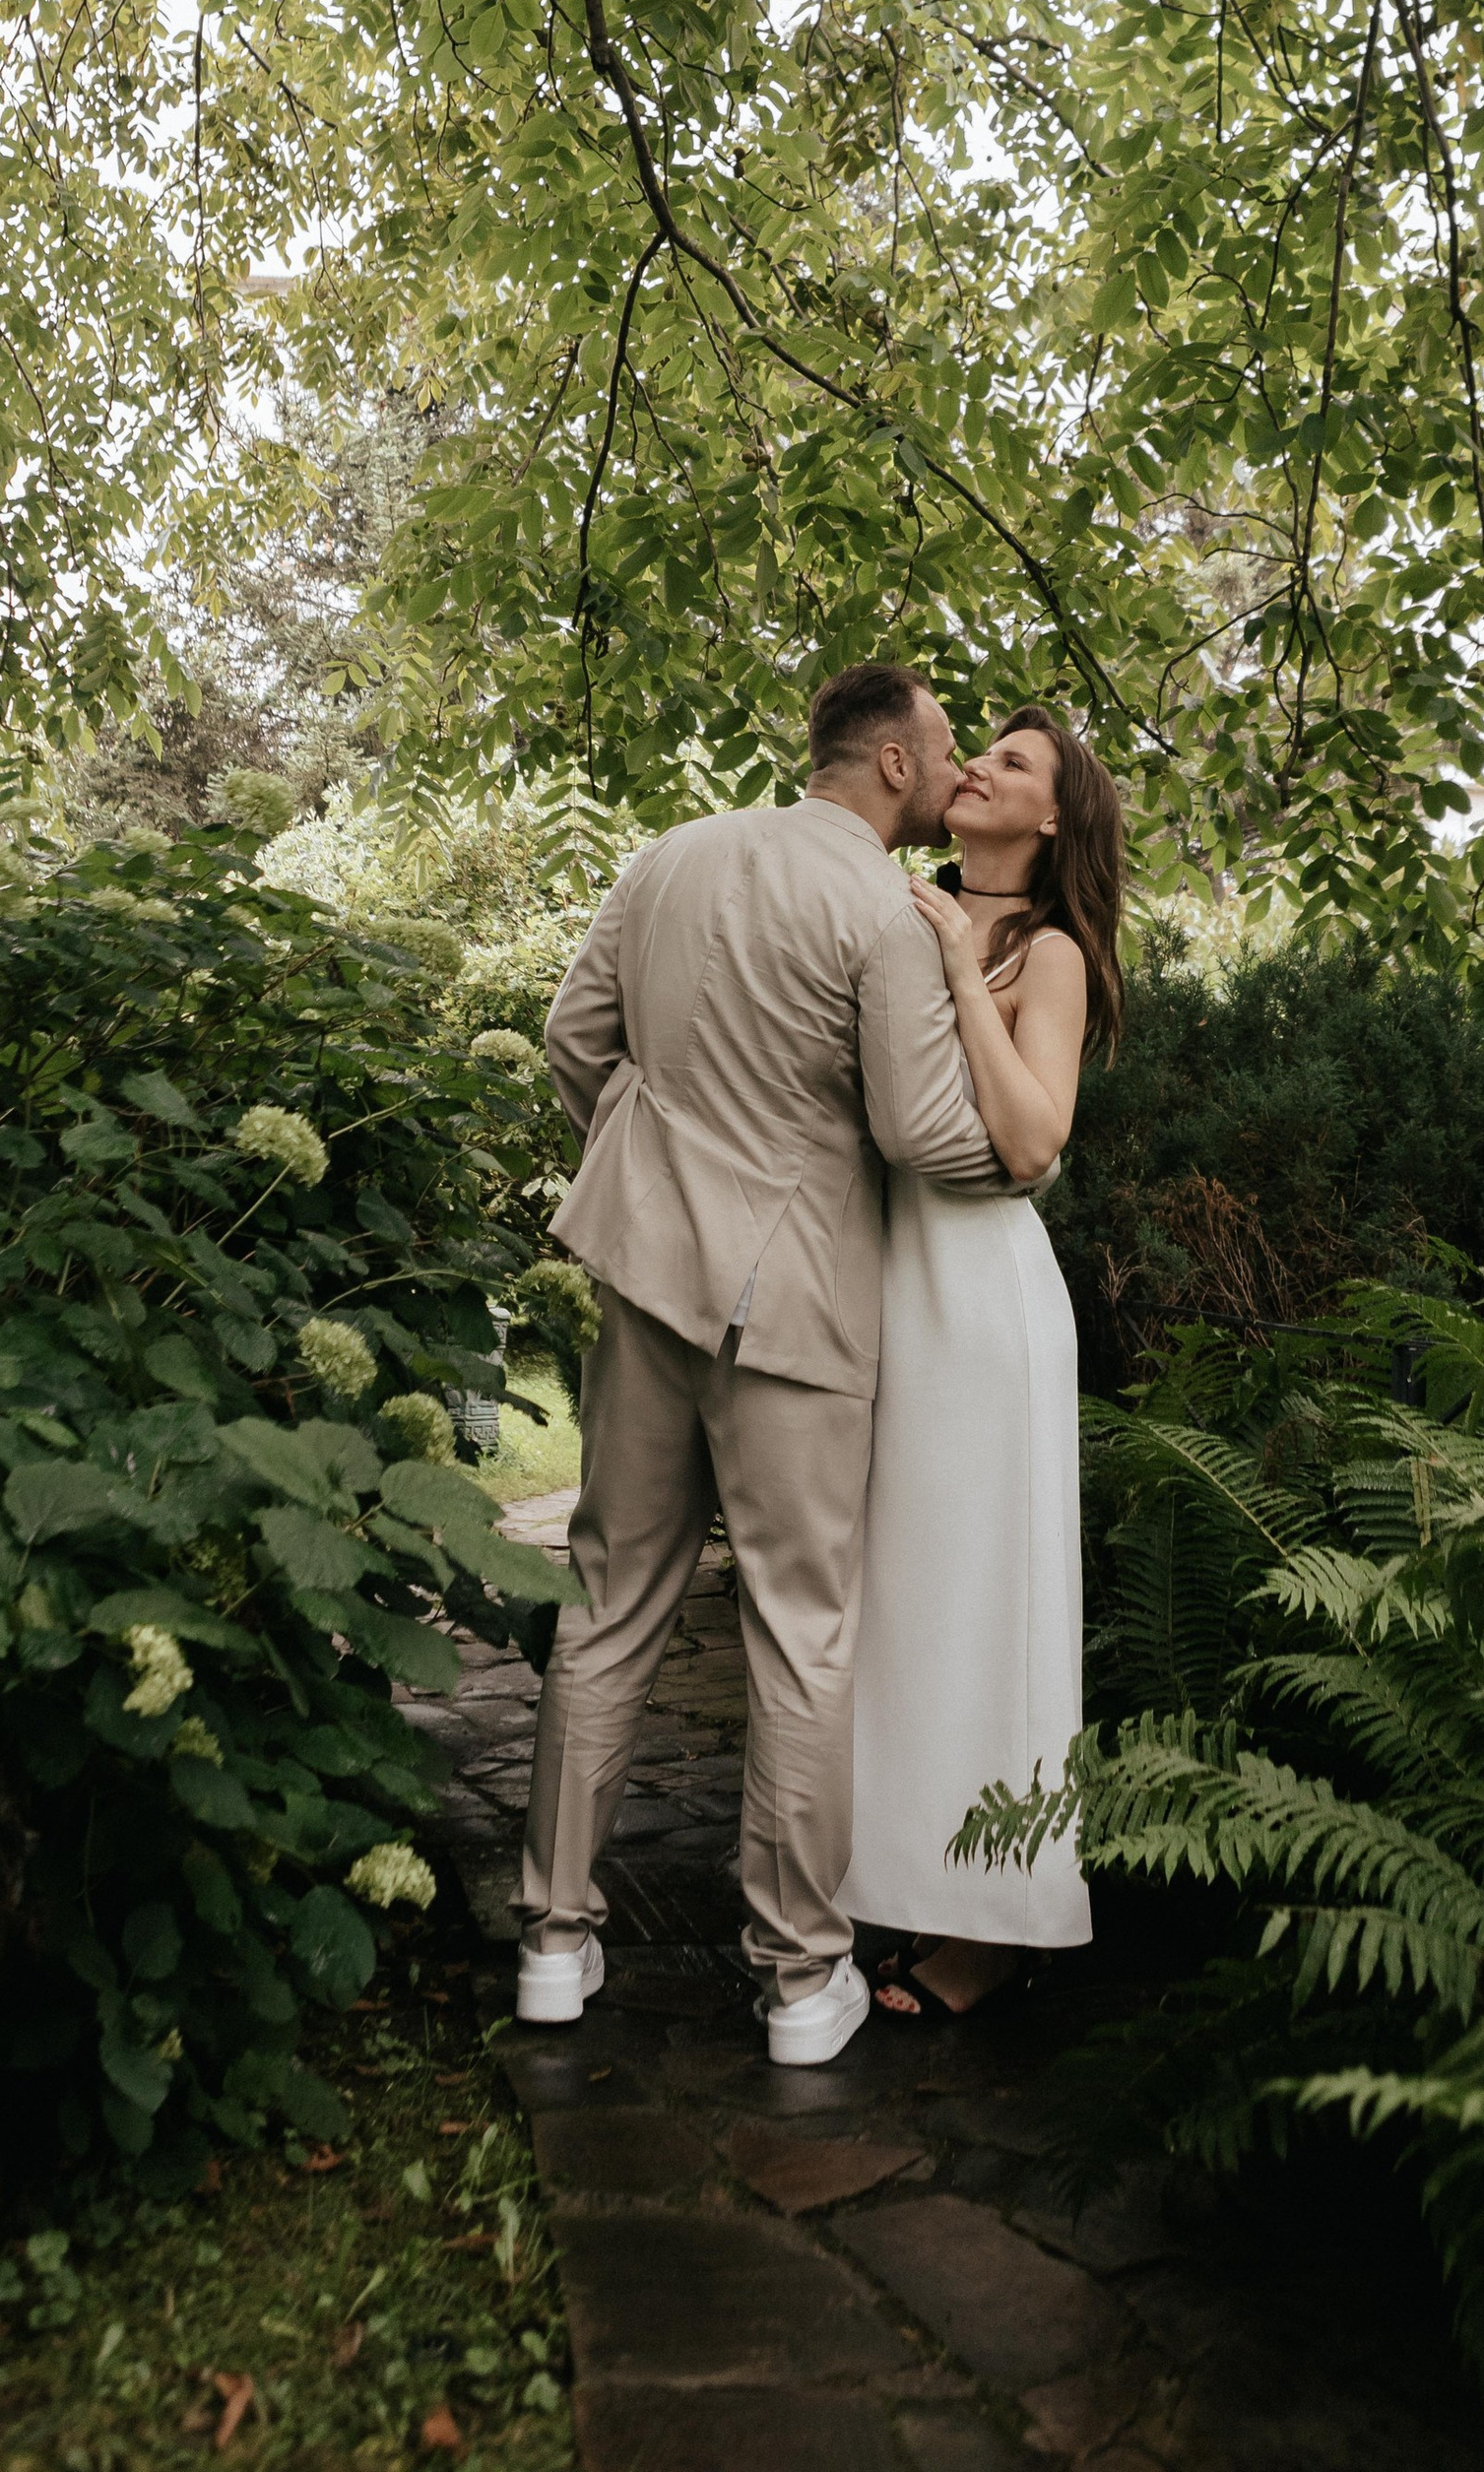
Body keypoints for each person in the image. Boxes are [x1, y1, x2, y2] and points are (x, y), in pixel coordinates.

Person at [517, 664, 1003, 2065]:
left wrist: (646, 1181)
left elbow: (573, 1043)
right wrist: (1026, 1157)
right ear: (896, 765)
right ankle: (800, 1981)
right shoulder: (888, 909)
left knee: (608, 1603)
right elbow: (918, 1134)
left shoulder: (668, 857)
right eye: (947, 743)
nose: (957, 765)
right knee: (803, 1626)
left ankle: (554, 1942)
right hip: (793, 1310)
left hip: (644, 1285)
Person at [841, 702, 1126, 2018]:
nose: (977, 770)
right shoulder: (898, 902)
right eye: (978, 751)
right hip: (891, 1287)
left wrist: (969, 974)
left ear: (1053, 815)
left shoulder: (1051, 953)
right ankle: (899, 1881)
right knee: (904, 1613)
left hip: (987, 1305)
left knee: (987, 1617)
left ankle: (999, 1921)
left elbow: (1031, 1143)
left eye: (1012, 763)